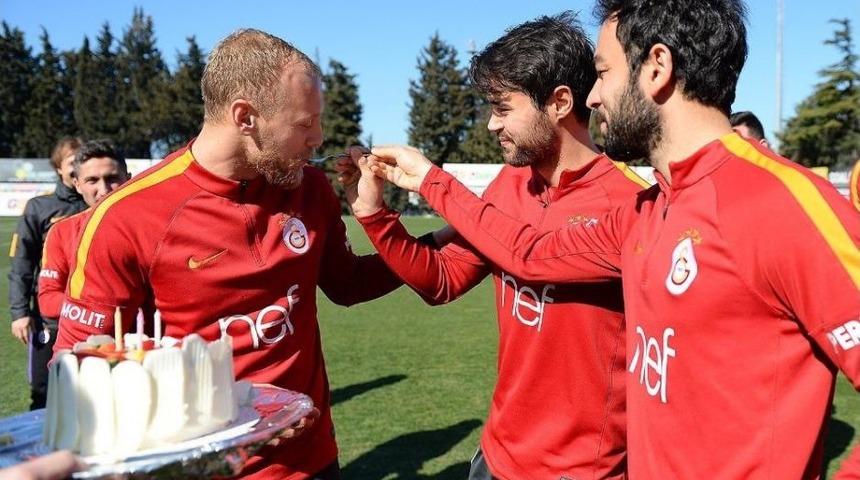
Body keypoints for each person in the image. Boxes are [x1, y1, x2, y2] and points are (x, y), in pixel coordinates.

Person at [364, 0, 860, 478]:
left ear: (656, 67)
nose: (594, 95)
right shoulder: (646, 210)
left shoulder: (784, 203)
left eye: (603, 73)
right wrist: (418, 188)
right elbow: (529, 254)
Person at [54, 29, 401, 480]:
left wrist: (452, 238)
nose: (319, 138)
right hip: (198, 470)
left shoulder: (309, 187)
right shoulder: (127, 216)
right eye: (304, 123)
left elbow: (348, 283)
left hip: (311, 461)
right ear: (245, 116)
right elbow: (77, 364)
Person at [344, 12, 646, 480]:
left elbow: (531, 254)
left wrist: (431, 181)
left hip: (580, 470)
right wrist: (374, 216)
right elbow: (442, 281)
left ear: (560, 102)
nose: (490, 124)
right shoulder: (509, 184)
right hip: (496, 457)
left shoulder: (628, 203)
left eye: (503, 108)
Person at [8, 136, 87, 410]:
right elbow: (22, 263)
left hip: (92, 316)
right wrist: (20, 313)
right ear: (58, 169)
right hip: (49, 320)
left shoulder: (97, 203)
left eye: (82, 159)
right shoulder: (39, 208)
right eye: (71, 161)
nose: (78, 166)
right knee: (44, 393)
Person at [38, 140, 131, 321]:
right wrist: (98, 307)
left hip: (143, 344)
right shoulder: (61, 232)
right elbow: (48, 301)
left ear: (128, 179)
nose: (103, 190)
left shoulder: (153, 228)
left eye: (112, 179)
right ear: (77, 184)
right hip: (84, 344)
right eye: (92, 181)